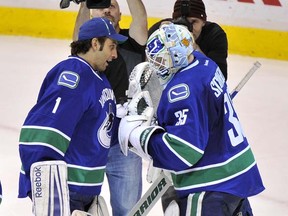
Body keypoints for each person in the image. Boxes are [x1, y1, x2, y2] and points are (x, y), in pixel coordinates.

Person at [119, 23, 265, 215]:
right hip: (236, 176)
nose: (157, 66)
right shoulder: (204, 63)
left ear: (177, 55)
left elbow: (184, 151)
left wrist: (141, 136)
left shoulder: (182, 90)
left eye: (161, 60)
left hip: (210, 185)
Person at [18, 17, 128, 214]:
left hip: (84, 190)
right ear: (95, 43)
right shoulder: (73, 75)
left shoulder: (98, 78)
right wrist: (46, 191)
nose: (114, 54)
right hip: (65, 191)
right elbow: (43, 131)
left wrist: (134, 130)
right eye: (111, 46)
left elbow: (99, 131)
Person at [72, 0, 148, 215]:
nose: (106, 9)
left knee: (127, 210)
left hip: (123, 142)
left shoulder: (132, 41)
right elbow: (79, 35)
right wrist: (86, 3)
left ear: (121, 14)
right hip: (89, 140)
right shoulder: (88, 46)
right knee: (79, 207)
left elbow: (141, 20)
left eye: (112, 5)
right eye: (101, 5)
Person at [148, 0, 228, 81]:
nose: (187, 28)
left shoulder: (214, 35)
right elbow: (147, 71)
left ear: (203, 21)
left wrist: (195, 49)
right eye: (181, 22)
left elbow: (221, 77)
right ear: (174, 20)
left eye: (193, 22)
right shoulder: (160, 33)